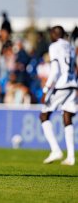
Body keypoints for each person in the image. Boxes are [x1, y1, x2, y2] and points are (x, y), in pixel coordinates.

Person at [39, 26, 77, 166]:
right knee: (67, 117)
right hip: (73, 84)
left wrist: (46, 89)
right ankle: (71, 157)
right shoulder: (70, 46)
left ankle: (55, 150)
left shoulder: (55, 46)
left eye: (51, 34)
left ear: (55, 34)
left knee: (44, 115)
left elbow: (55, 70)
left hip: (62, 85)